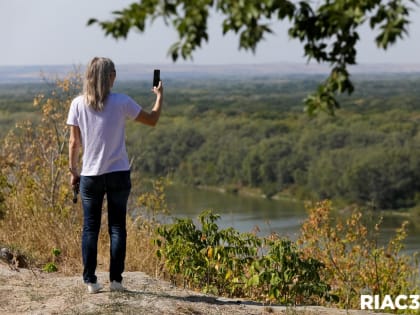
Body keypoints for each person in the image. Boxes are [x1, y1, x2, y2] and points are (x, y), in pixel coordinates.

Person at [66, 57, 163, 294]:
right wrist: (159, 96)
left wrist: (73, 170)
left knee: (90, 228)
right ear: (110, 77)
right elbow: (151, 120)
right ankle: (116, 281)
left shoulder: (77, 104)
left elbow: (73, 143)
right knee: (117, 227)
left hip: (90, 174)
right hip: (119, 172)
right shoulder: (122, 102)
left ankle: (90, 281)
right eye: (114, 73)